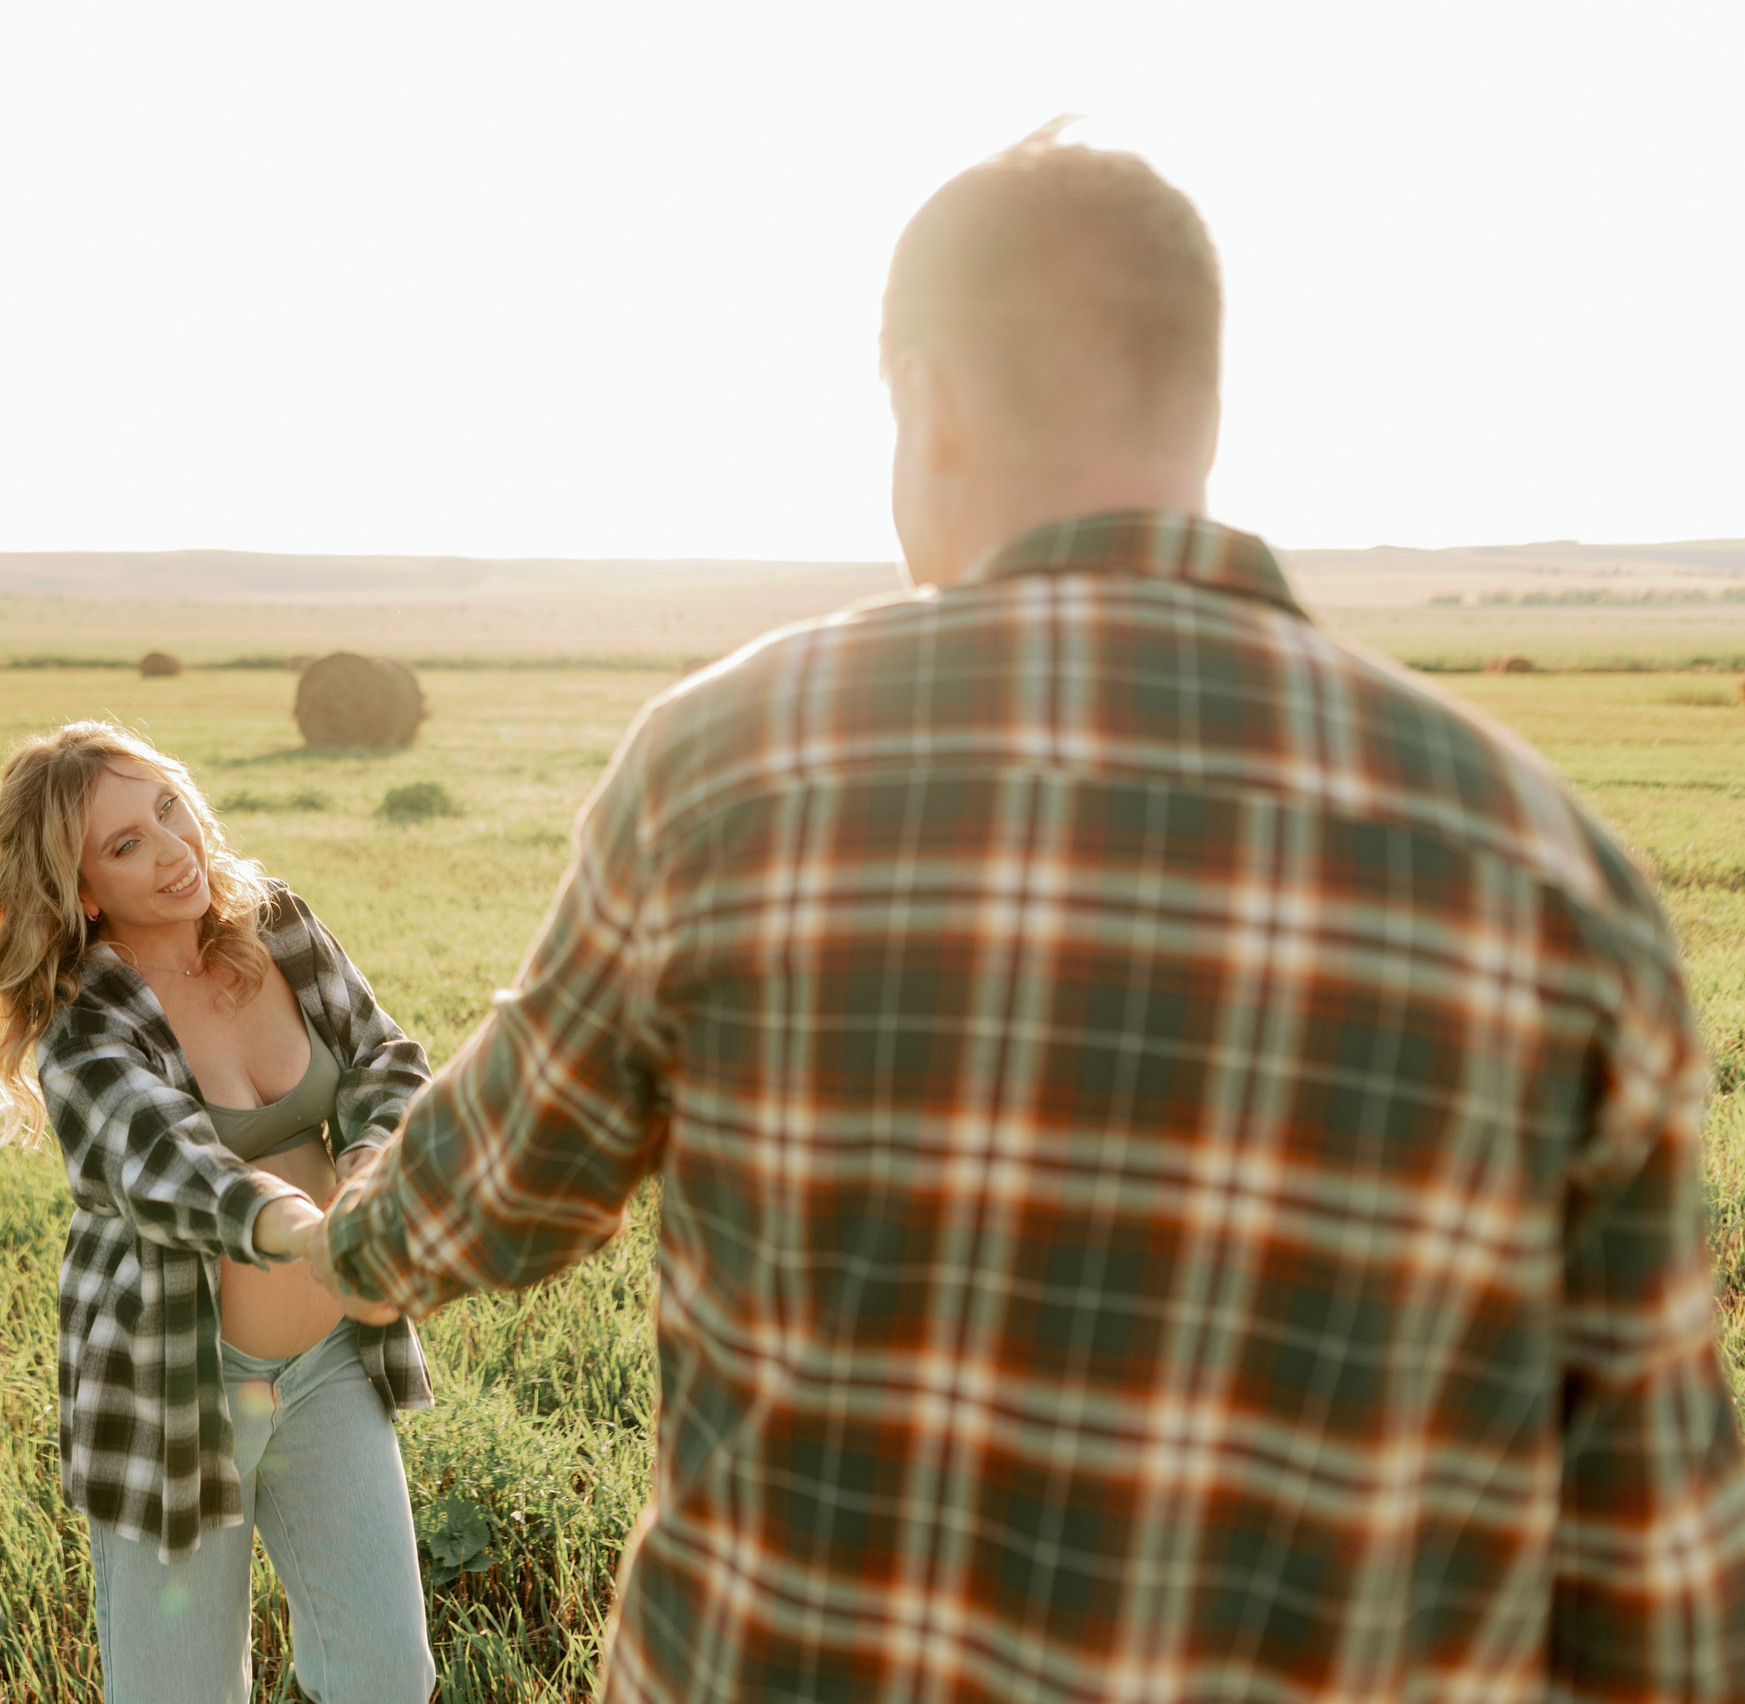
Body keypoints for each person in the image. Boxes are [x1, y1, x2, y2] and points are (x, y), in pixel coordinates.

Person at [303, 131, 1745, 1701]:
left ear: (926, 405)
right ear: (1204, 402)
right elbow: (1660, 1581)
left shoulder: (739, 762)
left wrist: (339, 1230)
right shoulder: (1553, 875)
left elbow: (489, 1196)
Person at [0, 719, 436, 1704]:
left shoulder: (280, 926)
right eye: (125, 844)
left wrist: (362, 1163)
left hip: (330, 1369)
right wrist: (313, 1230)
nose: (173, 849)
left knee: (388, 1677)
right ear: (82, 889)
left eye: (167, 808)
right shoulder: (82, 1022)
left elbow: (386, 1060)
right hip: (173, 1394)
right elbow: (168, 1166)